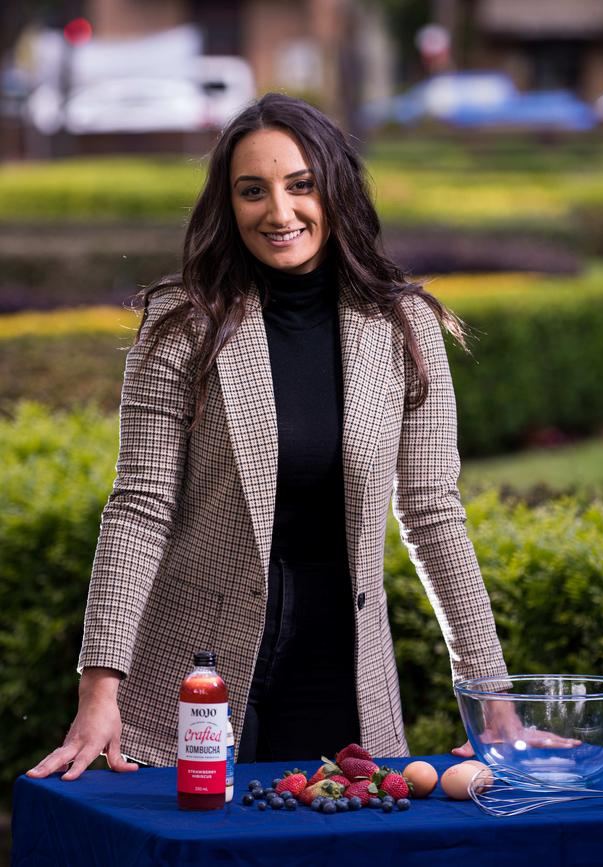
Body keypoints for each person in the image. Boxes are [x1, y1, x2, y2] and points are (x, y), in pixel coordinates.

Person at [27, 92, 509, 781]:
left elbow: (433, 511)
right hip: (195, 670)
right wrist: (100, 689)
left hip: (339, 659)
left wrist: (490, 692)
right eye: (253, 191)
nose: (279, 212)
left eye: (301, 185)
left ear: (336, 190)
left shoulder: (403, 327)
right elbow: (139, 507)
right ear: (229, 205)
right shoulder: (182, 324)